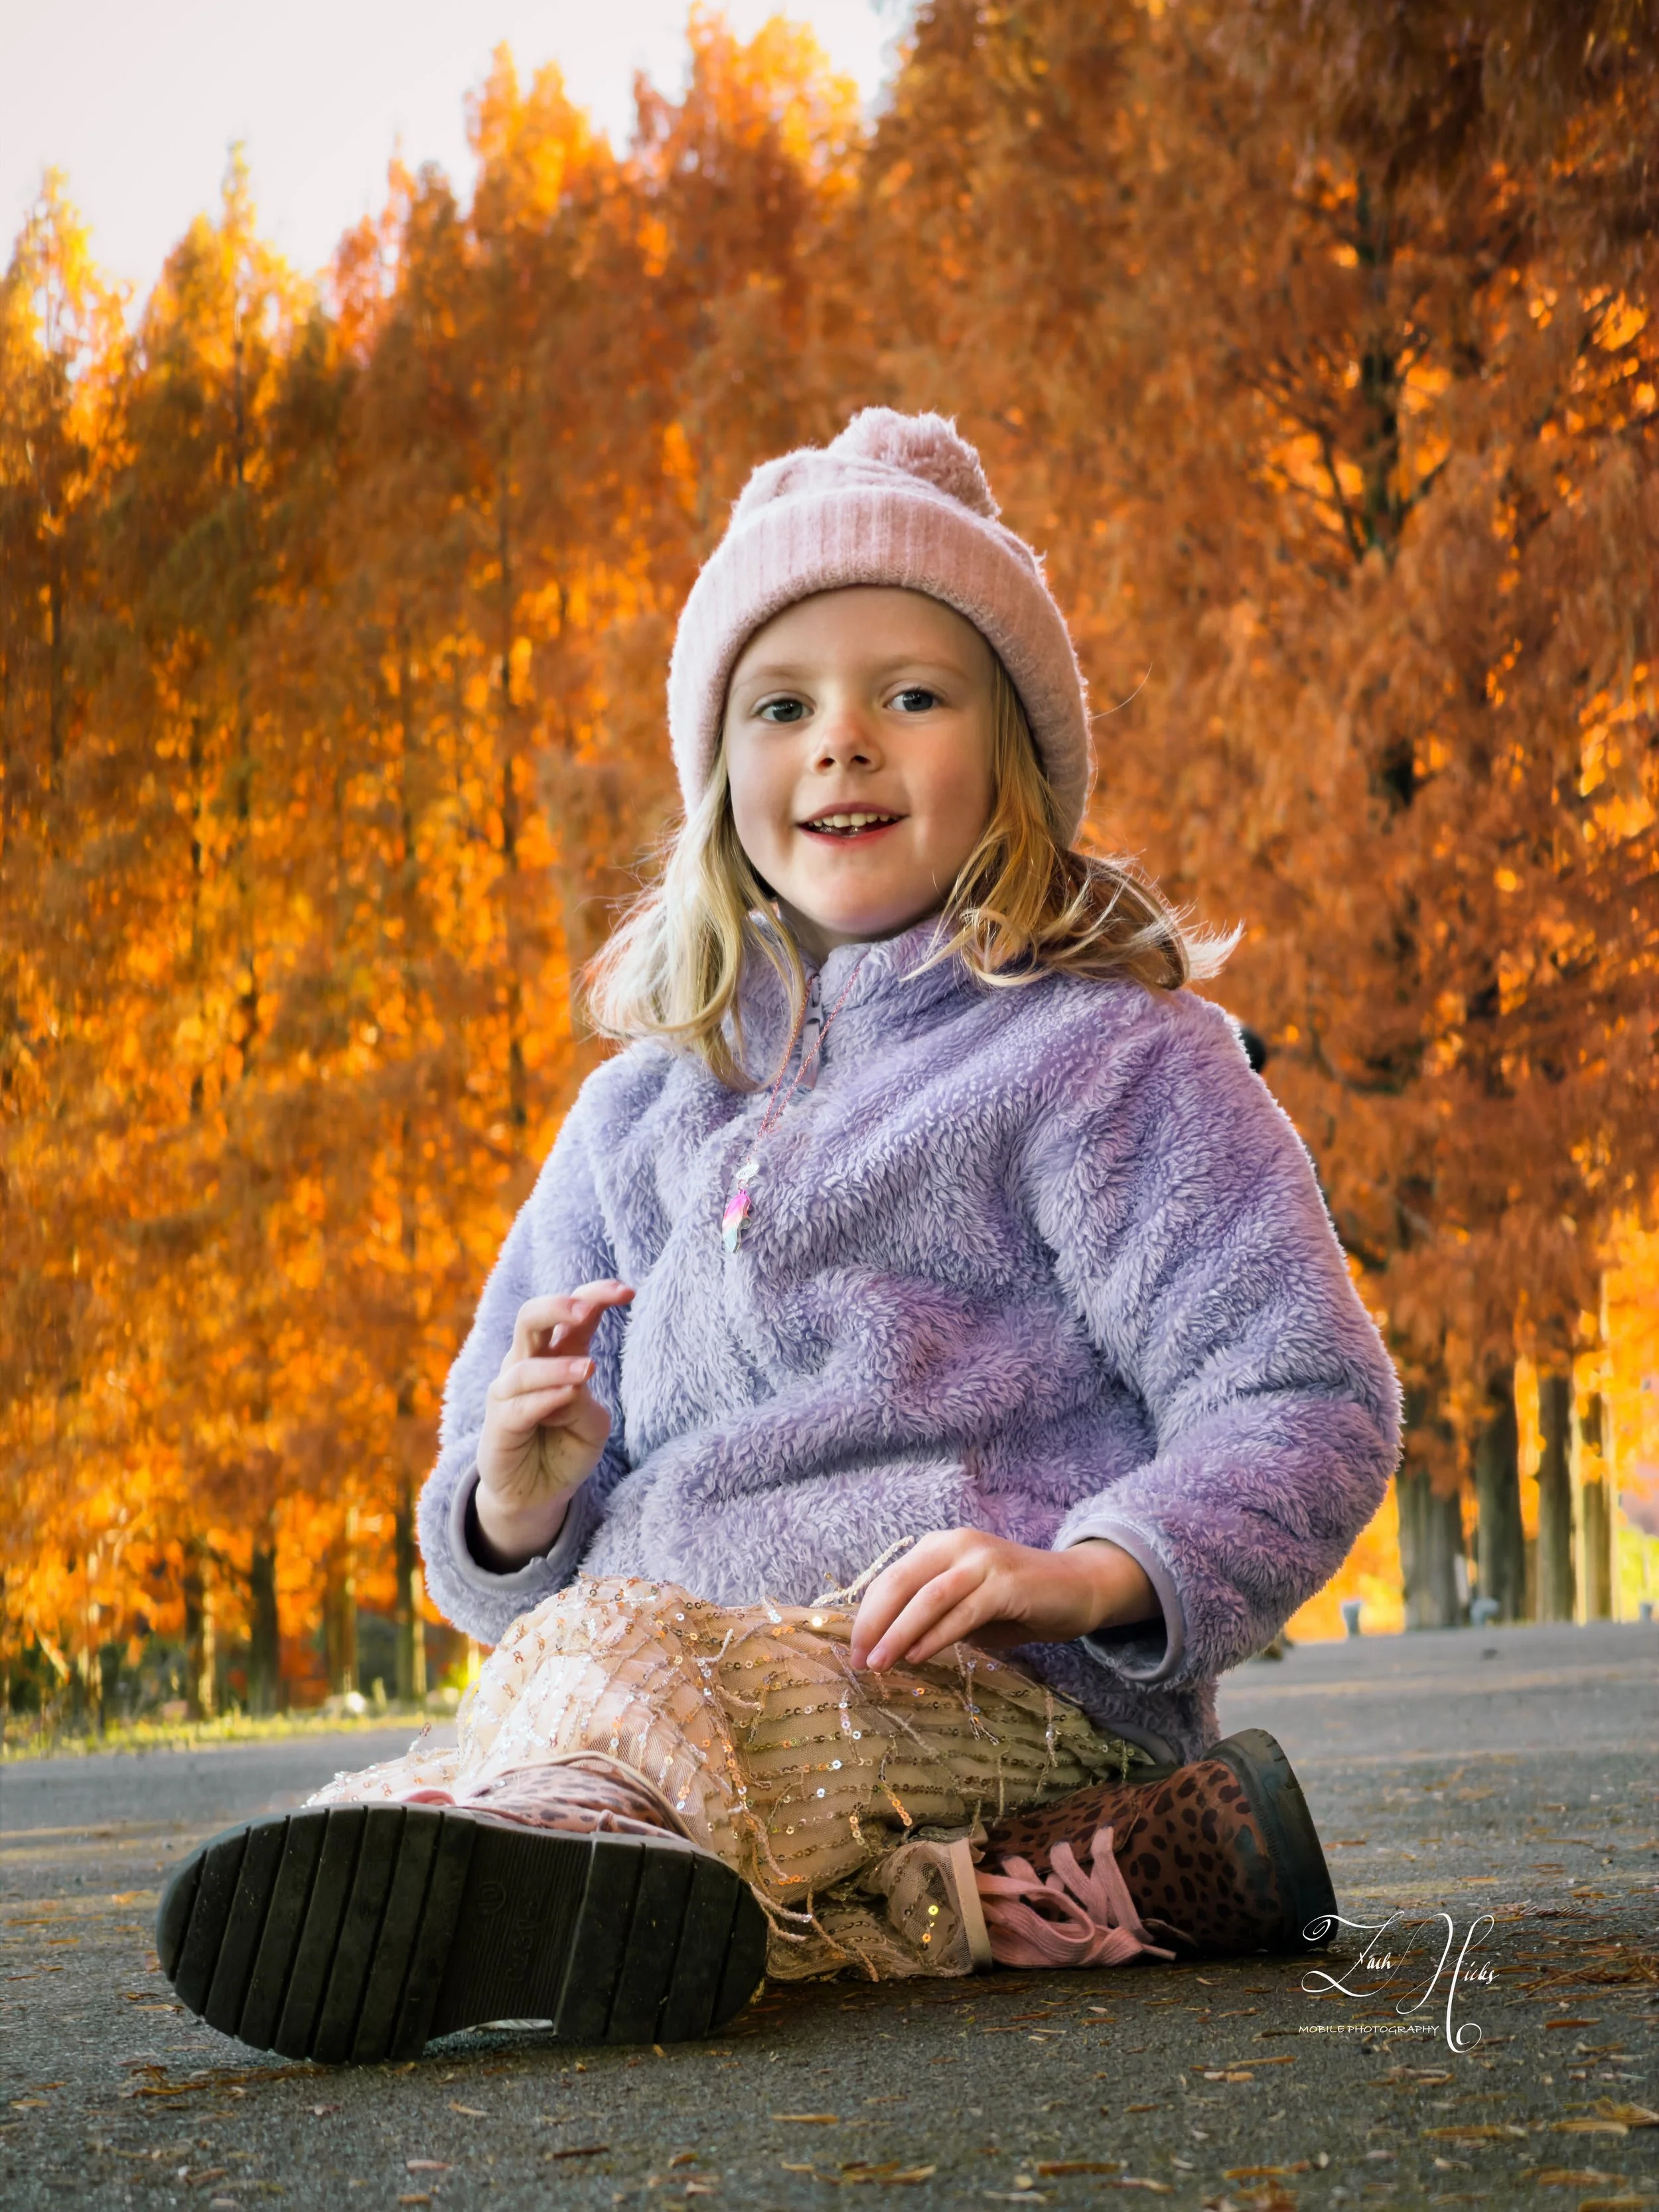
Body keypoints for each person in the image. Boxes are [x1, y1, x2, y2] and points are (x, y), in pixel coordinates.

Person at [156, 410, 1400, 2061]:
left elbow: (1304, 1395)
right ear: (719, 770)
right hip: (658, 1676)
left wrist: (1088, 1570)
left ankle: (581, 1862)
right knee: (521, 1717)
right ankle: (1009, 1895)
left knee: (606, 1691)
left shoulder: (1101, 1058)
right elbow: (491, 1505)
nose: (841, 745)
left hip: (968, 1675)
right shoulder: (637, 1114)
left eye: (911, 693)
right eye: (783, 704)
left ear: (1016, 749)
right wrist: (517, 1497)